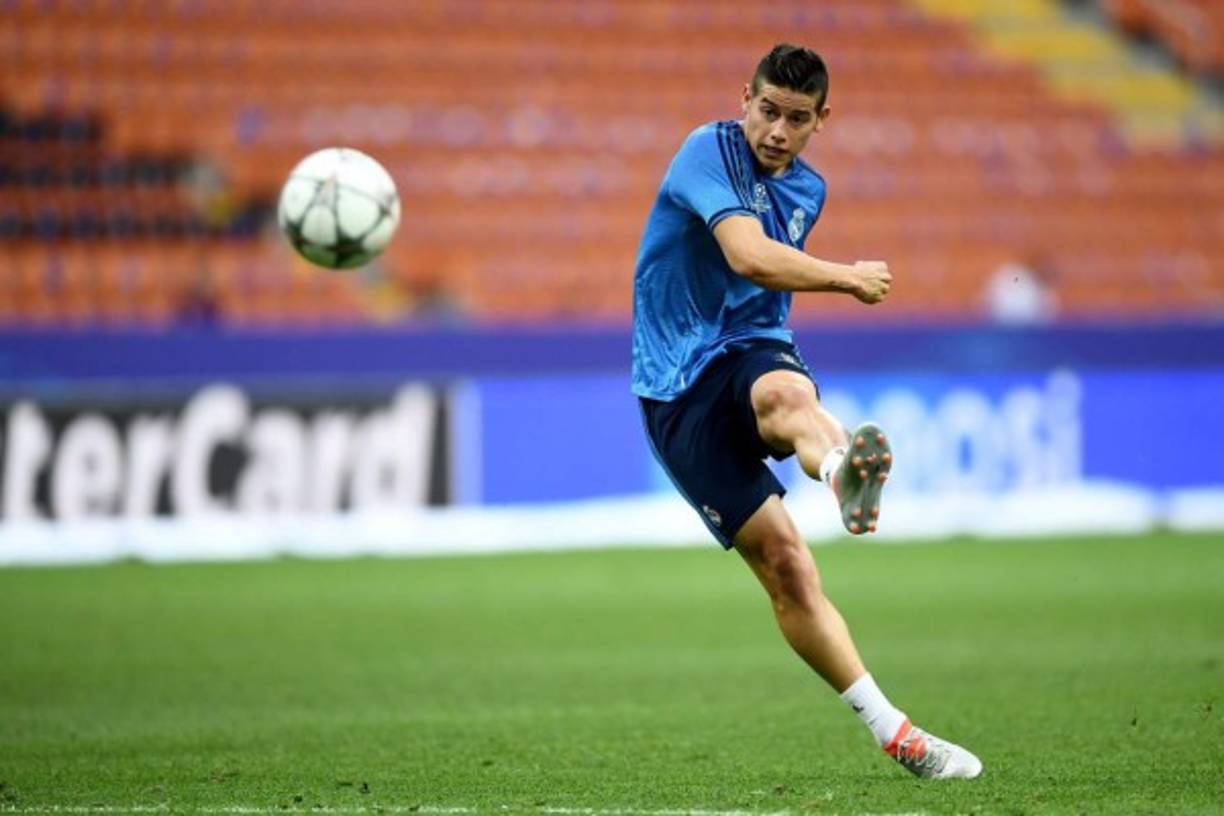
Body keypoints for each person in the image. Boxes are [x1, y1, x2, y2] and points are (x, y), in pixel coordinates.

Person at [631, 43, 982, 780]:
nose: (777, 132)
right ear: (743, 100)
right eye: (767, 111)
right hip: (675, 386)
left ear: (823, 120)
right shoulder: (706, 152)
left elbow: (761, 297)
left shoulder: (807, 190)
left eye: (796, 118)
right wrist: (847, 276)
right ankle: (895, 730)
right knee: (784, 564)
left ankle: (840, 469)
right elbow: (750, 257)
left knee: (784, 396)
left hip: (753, 349)